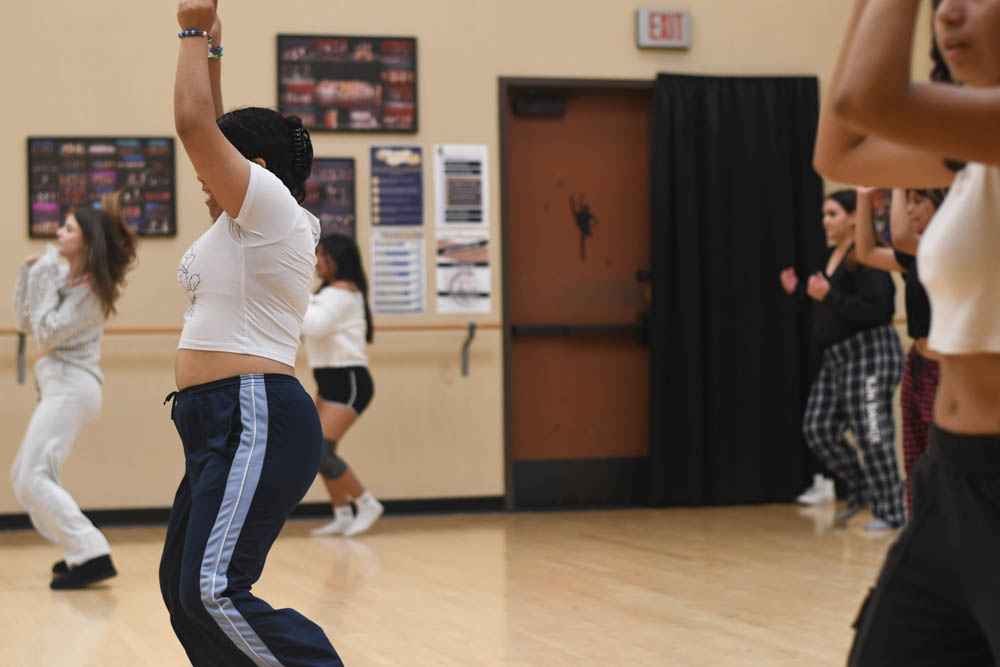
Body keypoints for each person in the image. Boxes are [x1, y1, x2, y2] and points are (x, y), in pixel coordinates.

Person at [814, 0, 1000, 662]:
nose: (946, 12)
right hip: (955, 479)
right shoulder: (970, 155)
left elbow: (871, 97)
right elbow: (839, 146)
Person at [159, 1, 342, 664]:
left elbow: (194, 122)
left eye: (222, 159)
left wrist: (186, 28)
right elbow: (213, 122)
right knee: (183, 591)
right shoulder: (249, 218)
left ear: (256, 165)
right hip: (216, 417)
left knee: (212, 589)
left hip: (254, 410)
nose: (206, 173)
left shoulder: (272, 210)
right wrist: (212, 50)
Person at [11, 193, 137, 589]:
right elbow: (26, 321)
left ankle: (91, 552)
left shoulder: (92, 292)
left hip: (72, 387)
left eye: (68, 228)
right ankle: (78, 548)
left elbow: (47, 330)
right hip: (59, 386)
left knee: (34, 475)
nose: (58, 233)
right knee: (24, 475)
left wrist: (45, 275)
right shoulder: (67, 280)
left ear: (87, 241)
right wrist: (32, 275)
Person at [780, 189, 905, 531]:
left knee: (873, 433)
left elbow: (879, 310)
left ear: (854, 217)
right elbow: (827, 311)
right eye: (824, 215)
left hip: (869, 357)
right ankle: (862, 488)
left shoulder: (866, 258)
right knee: (818, 428)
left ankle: (892, 509)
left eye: (832, 214)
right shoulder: (830, 257)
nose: (825, 221)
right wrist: (799, 295)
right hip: (837, 360)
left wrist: (830, 295)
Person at [854, 186, 945, 516]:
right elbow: (865, 251)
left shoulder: (950, 250)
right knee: (917, 467)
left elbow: (901, 237)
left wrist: (897, 179)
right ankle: (923, 546)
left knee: (945, 471)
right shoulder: (917, 256)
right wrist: (863, 194)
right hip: (918, 365)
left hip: (950, 373)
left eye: (917, 201)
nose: (908, 209)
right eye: (906, 202)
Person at [304, 233, 383, 538]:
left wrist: (291, 294)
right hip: (330, 380)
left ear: (335, 259)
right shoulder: (327, 293)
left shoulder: (343, 293)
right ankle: (342, 513)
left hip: (348, 381)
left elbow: (314, 325)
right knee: (315, 449)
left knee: (321, 451)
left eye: (320, 254)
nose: (316, 262)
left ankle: (367, 503)